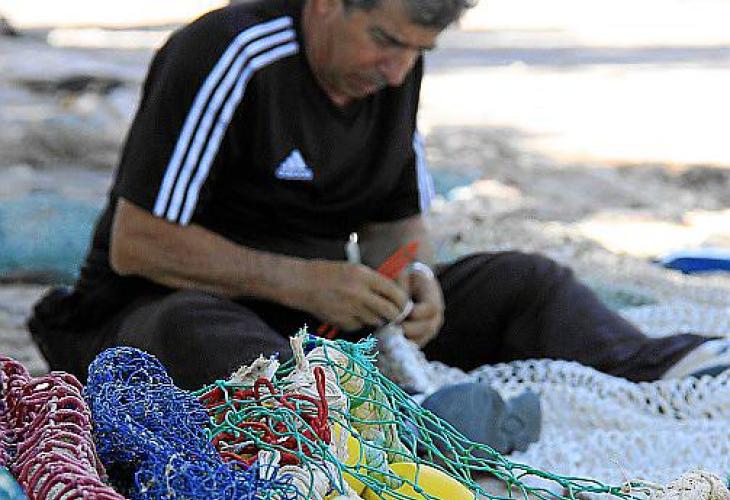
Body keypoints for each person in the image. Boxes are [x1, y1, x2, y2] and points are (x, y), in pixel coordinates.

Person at [28, 0, 727, 394]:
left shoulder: (392, 73)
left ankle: (670, 367)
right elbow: (138, 244)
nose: (396, 71)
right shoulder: (229, 53)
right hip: (148, 312)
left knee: (525, 280)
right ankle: (394, 428)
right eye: (386, 41)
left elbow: (397, 226)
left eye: (417, 51)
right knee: (201, 331)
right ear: (326, 4)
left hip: (320, 322)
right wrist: (302, 282)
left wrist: (415, 283)